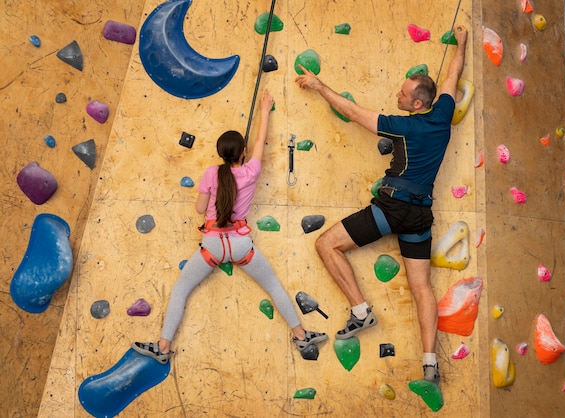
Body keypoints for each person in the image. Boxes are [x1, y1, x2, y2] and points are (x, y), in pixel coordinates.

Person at [295, 26, 469, 384]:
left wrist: (318, 86)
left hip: (392, 209)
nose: (398, 94)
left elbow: (355, 113)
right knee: (422, 287)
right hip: (420, 215)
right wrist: (461, 44)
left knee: (326, 244)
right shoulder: (443, 115)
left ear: (418, 104)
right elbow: (453, 75)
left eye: (404, 94)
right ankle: (430, 363)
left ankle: (361, 311)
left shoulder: (403, 127)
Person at [133, 90, 327, 364]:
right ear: (244, 153)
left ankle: (163, 348)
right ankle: (301, 335)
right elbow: (261, 140)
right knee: (273, 286)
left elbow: (200, 209)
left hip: (212, 244)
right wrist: (264, 110)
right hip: (240, 244)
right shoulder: (251, 171)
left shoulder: (212, 173)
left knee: (181, 289)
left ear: (220, 154)